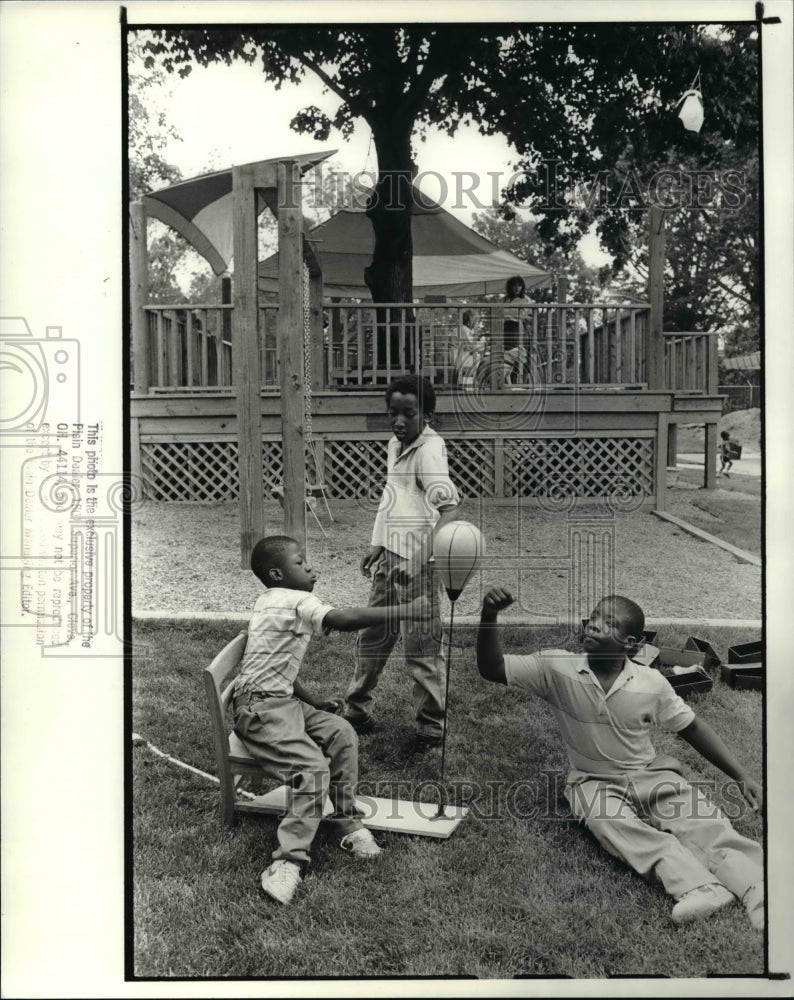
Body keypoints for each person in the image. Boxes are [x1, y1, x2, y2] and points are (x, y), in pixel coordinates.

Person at [476, 589, 765, 929]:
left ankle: (758, 888)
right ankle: (699, 887)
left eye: (608, 623)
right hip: (593, 782)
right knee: (613, 825)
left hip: (650, 773)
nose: (594, 625)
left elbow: (693, 728)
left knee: (704, 823)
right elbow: (492, 668)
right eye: (594, 618)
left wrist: (741, 776)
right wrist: (489, 615)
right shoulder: (556, 667)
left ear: (631, 643)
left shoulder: (652, 683)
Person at [233, 534, 431, 905]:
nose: (309, 567)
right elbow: (341, 619)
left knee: (341, 732)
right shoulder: (295, 600)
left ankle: (345, 821)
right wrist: (406, 610)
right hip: (259, 710)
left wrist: (314, 703)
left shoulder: (272, 601)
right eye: (300, 561)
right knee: (311, 770)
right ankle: (288, 861)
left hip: (280, 701)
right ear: (277, 573)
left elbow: (277, 667)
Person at [343, 375, 461, 753]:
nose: (398, 421)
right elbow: (391, 496)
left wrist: (417, 558)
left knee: (422, 647)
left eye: (408, 414)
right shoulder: (396, 444)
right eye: (393, 413)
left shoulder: (429, 451)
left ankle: (429, 727)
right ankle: (355, 710)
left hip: (418, 568)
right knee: (373, 638)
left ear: (426, 414)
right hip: (390, 562)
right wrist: (377, 543)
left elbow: (450, 510)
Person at [501, 275, 531, 383]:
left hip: (518, 327)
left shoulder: (525, 299)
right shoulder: (504, 299)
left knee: (519, 353)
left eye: (519, 285)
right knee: (507, 355)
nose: (517, 288)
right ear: (510, 287)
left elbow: (529, 316)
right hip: (505, 328)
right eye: (514, 286)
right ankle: (507, 380)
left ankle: (522, 380)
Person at [454, 310, 487, 391]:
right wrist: (483, 343)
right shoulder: (463, 330)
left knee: (478, 358)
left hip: (461, 355)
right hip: (459, 357)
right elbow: (470, 346)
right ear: (469, 321)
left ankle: (472, 383)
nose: (477, 324)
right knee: (478, 359)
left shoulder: (465, 330)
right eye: (476, 321)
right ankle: (469, 384)